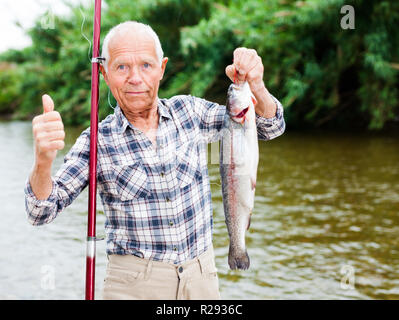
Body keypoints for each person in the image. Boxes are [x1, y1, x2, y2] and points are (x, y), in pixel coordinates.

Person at [24, 21, 285, 300]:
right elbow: (40, 211)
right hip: (134, 285)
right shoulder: (96, 141)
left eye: (146, 66)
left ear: (162, 68)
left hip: (202, 279)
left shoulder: (191, 111)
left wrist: (255, 85)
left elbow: (269, 127)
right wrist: (43, 161)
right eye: (122, 67)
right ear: (104, 72)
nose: (135, 78)